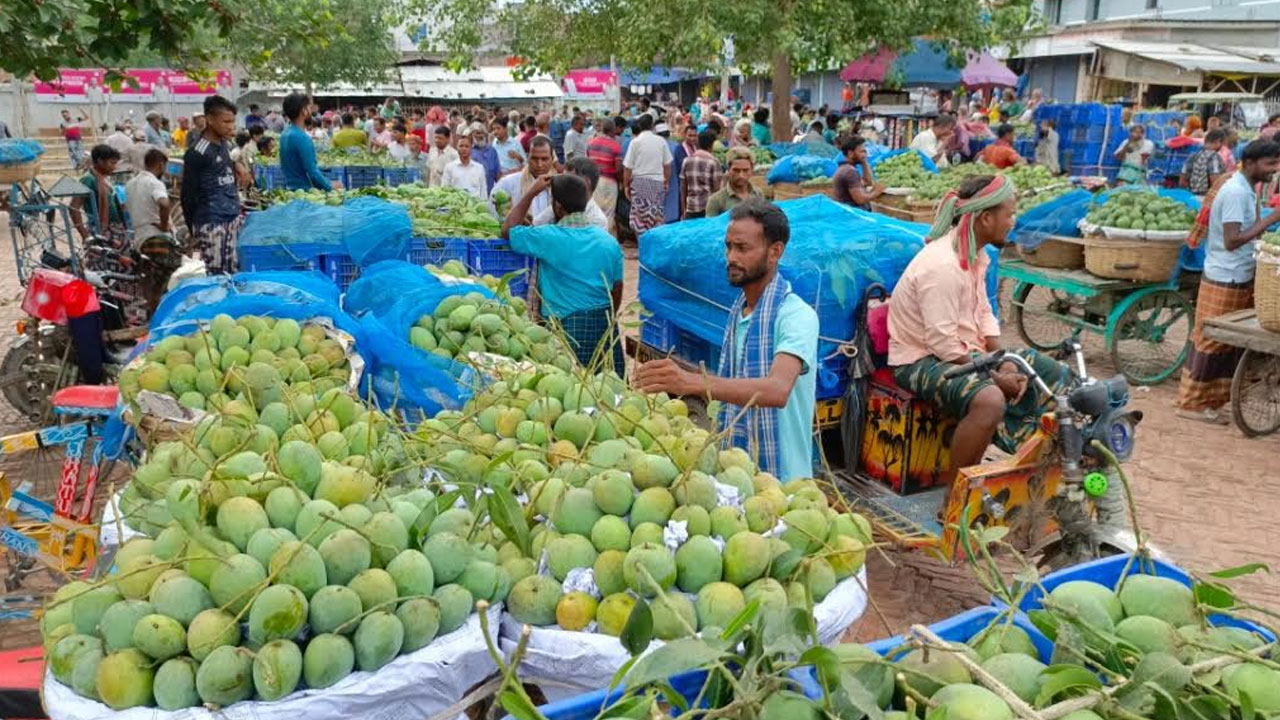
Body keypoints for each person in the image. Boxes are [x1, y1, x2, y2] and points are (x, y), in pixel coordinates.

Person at [889, 174, 1071, 484]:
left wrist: (1001, 356)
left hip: (960, 351)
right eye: (1009, 214)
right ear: (985, 218)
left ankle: (1048, 469)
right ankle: (956, 496)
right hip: (918, 359)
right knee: (990, 399)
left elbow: (984, 313)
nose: (1012, 221)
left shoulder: (977, 255)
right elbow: (943, 345)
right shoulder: (942, 266)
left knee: (1051, 372)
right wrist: (996, 375)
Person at [635, 199, 818, 481]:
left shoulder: (796, 316)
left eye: (743, 248)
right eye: (729, 246)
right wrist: (679, 374)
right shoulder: (741, 310)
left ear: (775, 252)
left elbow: (776, 390)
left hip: (783, 481)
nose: (731, 257)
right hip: (738, 473)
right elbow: (734, 379)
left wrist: (692, 382)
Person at [1177, 140, 1280, 423]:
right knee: (1211, 342)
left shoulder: (1247, 188)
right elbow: (1232, 240)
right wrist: (1272, 218)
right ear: (1250, 163)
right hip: (1226, 275)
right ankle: (1191, 405)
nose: (1275, 169)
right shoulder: (1235, 192)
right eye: (1270, 164)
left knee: (1222, 346)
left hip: (1235, 272)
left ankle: (1208, 402)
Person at [502, 174, 623, 373]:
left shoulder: (548, 237)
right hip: (603, 324)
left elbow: (508, 229)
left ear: (557, 206)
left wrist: (531, 193)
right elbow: (617, 290)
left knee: (570, 388)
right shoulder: (608, 241)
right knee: (608, 388)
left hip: (565, 328)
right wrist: (606, 318)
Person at [181, 94, 243, 274]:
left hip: (231, 218)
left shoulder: (225, 144)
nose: (231, 126)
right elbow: (187, 195)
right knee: (216, 275)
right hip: (212, 223)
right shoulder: (198, 153)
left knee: (233, 273)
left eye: (232, 121)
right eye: (226, 122)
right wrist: (195, 230)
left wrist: (236, 166)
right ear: (209, 119)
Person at [124, 148, 181, 313]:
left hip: (140, 240)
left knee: (151, 283)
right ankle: (166, 314)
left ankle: (152, 313)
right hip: (157, 238)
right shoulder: (154, 183)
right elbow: (164, 203)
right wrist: (164, 225)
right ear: (161, 165)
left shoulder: (130, 184)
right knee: (171, 280)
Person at [623, 114, 673, 236]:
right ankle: (654, 249)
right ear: (652, 126)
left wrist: (625, 185)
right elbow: (667, 165)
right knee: (656, 217)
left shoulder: (635, 142)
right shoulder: (661, 141)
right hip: (657, 183)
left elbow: (628, 168)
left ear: (639, 126)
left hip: (639, 183)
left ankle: (642, 247)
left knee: (639, 220)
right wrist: (666, 181)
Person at [278, 93, 335, 192]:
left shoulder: (284, 134)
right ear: (303, 111)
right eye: (309, 107)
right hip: (305, 193)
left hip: (290, 191)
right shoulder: (302, 138)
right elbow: (312, 173)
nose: (311, 111)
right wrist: (331, 186)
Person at [534, 157, 609, 230]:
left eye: (569, 179)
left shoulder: (597, 220)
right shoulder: (559, 206)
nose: (564, 183)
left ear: (586, 182)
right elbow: (535, 226)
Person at [69, 144, 125, 242]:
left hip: (114, 230)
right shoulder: (88, 180)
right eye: (112, 163)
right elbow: (74, 207)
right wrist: (85, 235)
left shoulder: (103, 179)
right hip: (100, 230)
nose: (114, 167)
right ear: (100, 161)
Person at [587, 117, 624, 233]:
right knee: (608, 213)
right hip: (609, 182)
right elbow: (618, 169)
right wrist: (621, 182)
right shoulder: (616, 146)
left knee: (595, 211)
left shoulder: (591, 142)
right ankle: (606, 238)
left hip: (594, 181)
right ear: (612, 130)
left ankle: (595, 236)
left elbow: (588, 162)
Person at [706, 147, 763, 218]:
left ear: (751, 170)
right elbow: (710, 227)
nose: (741, 175)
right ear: (728, 170)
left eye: (745, 170)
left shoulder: (758, 194)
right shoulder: (716, 200)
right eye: (736, 170)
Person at [680, 130, 723, 220]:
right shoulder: (714, 162)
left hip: (691, 207)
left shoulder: (686, 161)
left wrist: (684, 209)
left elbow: (684, 187)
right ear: (711, 145)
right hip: (708, 208)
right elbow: (717, 189)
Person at [832, 137, 883, 210]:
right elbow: (860, 199)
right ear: (850, 153)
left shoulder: (846, 168)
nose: (864, 154)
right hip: (850, 216)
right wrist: (876, 192)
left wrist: (864, 162)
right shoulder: (849, 171)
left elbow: (867, 182)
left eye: (865, 152)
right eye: (861, 152)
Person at [440, 135, 488, 201]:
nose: (464, 149)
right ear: (457, 147)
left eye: (467, 146)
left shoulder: (479, 168)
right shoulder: (449, 167)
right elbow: (444, 189)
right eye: (461, 146)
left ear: (471, 148)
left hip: (475, 206)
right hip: (456, 206)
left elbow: (483, 191)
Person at [1180, 129, 1227, 195]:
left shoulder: (1193, 155)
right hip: (1206, 198)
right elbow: (1215, 182)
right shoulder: (1214, 157)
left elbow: (1182, 181)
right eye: (1222, 144)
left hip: (1192, 197)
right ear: (1217, 141)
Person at [469, 124, 501, 192]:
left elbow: (497, 174)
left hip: (489, 190)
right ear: (471, 135)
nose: (480, 136)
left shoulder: (492, 151)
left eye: (482, 133)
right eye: (477, 133)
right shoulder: (469, 151)